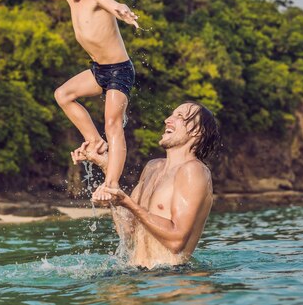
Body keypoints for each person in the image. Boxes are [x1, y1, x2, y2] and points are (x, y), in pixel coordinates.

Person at [0, 0, 139, 200]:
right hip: (98, 69)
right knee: (63, 94)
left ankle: (111, 183)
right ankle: (94, 141)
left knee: (113, 124)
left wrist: (122, 10)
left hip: (119, 71)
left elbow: (112, 3)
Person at [71, 102, 220, 269]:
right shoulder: (152, 167)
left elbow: (176, 240)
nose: (168, 120)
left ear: (197, 131)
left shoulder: (194, 171)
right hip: (138, 274)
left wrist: (127, 202)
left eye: (180, 116)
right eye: (172, 114)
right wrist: (107, 168)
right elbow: (127, 230)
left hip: (170, 280)